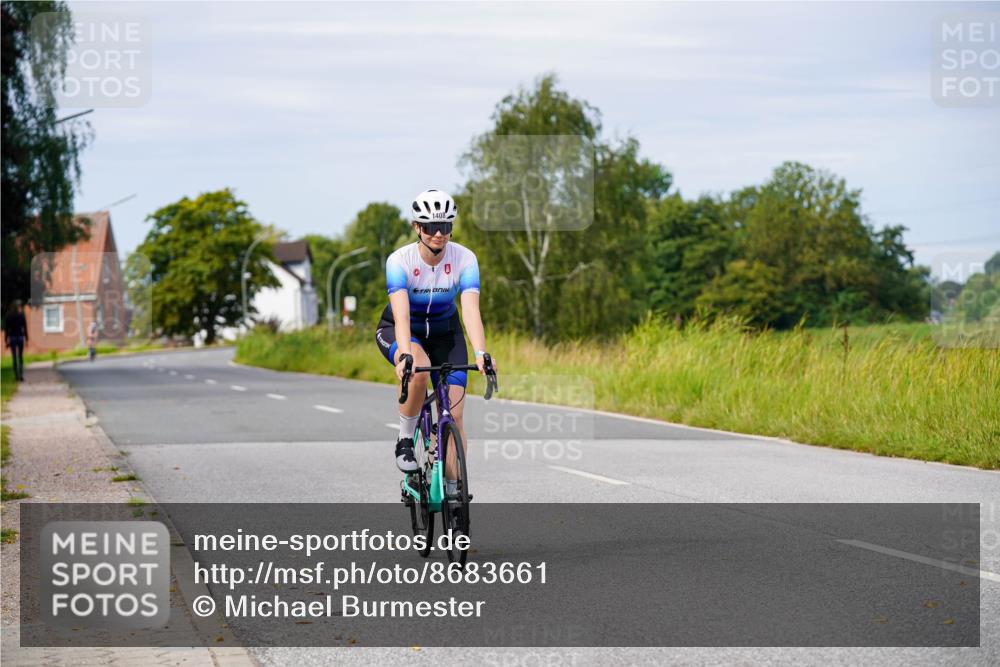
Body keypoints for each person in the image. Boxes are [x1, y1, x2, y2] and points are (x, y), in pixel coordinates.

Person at [374, 189, 497, 497]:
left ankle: (455, 490)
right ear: (418, 228)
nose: (439, 234)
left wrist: (482, 352)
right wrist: (404, 354)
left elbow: (470, 309)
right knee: (418, 370)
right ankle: (405, 439)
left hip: (446, 332)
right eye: (431, 227)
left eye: (445, 226)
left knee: (454, 416)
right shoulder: (399, 260)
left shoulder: (465, 258)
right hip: (403, 329)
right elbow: (401, 316)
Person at [3, 300, 28, 381]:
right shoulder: (21, 315)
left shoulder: (8, 316)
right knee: (20, 356)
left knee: (14, 357)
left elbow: (6, 329)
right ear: (18, 307)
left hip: (12, 337)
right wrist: (26, 339)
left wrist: (6, 340)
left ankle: (16, 375)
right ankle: (20, 374)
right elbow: (25, 328)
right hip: (20, 337)